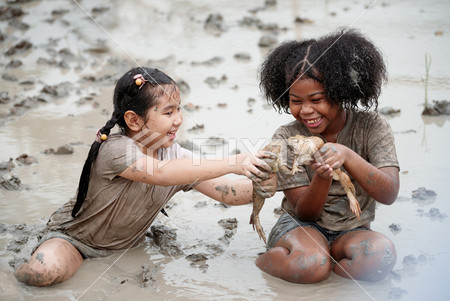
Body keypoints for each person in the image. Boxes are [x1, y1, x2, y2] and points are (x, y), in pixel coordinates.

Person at [14, 67, 277, 287]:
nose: (179, 120)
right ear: (134, 120)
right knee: (42, 272)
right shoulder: (115, 149)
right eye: (168, 112)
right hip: (76, 240)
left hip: (126, 246)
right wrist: (234, 161)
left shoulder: (176, 157)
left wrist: (279, 179)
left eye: (179, 110)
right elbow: (160, 174)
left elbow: (228, 193)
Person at [255, 28, 399, 283]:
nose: (306, 110)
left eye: (317, 99)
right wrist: (322, 177)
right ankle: (269, 261)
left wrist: (348, 156)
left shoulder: (372, 127)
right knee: (310, 263)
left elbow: (388, 194)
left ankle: (327, 266)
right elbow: (305, 213)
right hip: (301, 227)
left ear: (340, 92)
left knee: (381, 256)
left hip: (352, 230)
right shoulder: (287, 137)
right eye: (295, 101)